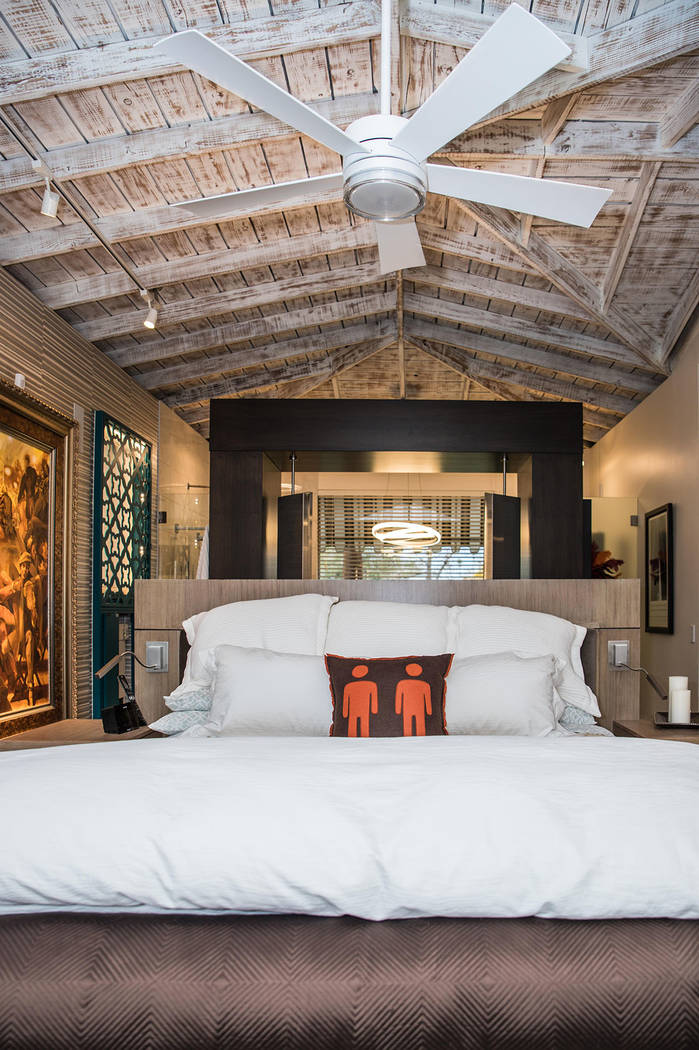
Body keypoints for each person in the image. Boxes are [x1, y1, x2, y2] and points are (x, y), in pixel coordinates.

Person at [395, 662, 432, 736]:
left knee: (407, 724)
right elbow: (427, 699)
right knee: (420, 725)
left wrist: (398, 710)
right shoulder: (425, 685)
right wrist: (429, 711)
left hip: (407, 708)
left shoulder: (402, 684)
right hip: (419, 709)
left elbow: (398, 697)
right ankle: (420, 738)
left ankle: (409, 737)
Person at [342, 664, 378, 737]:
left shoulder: (348, 686)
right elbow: (374, 698)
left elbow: (346, 701)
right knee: (364, 724)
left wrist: (345, 713)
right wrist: (374, 709)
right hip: (364, 709)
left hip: (353, 710)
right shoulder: (371, 685)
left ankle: (352, 738)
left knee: (352, 725)